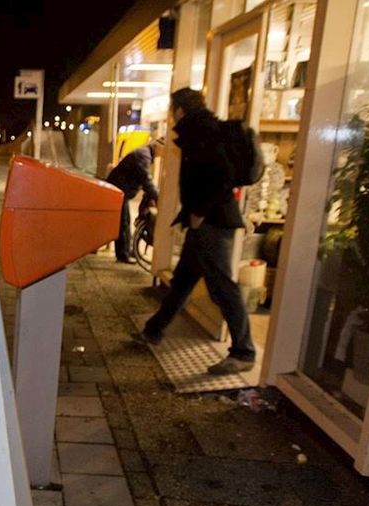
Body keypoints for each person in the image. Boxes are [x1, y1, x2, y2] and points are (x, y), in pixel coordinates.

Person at [137, 88, 256, 375]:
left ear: (179, 109)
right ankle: (154, 330)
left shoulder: (203, 131)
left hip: (212, 223)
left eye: (171, 109)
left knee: (222, 287)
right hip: (204, 221)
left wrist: (200, 213)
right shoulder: (199, 129)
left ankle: (243, 351)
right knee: (183, 280)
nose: (170, 114)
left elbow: (221, 175)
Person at [105, 140, 160, 263]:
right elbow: (146, 178)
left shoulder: (144, 153)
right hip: (119, 190)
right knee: (123, 223)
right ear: (157, 147)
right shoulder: (144, 155)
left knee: (125, 221)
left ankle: (126, 251)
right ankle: (123, 255)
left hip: (120, 190)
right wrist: (158, 196)